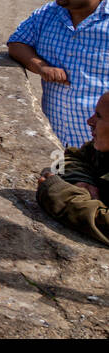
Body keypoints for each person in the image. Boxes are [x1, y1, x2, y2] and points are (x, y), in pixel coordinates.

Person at [9, 0, 109, 147]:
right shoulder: (48, 13)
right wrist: (41, 67)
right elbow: (16, 43)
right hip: (57, 139)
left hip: (100, 147)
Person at [37, 92, 109, 245]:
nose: (90, 121)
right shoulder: (102, 152)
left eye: (99, 116)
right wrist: (80, 179)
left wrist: (61, 196)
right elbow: (66, 159)